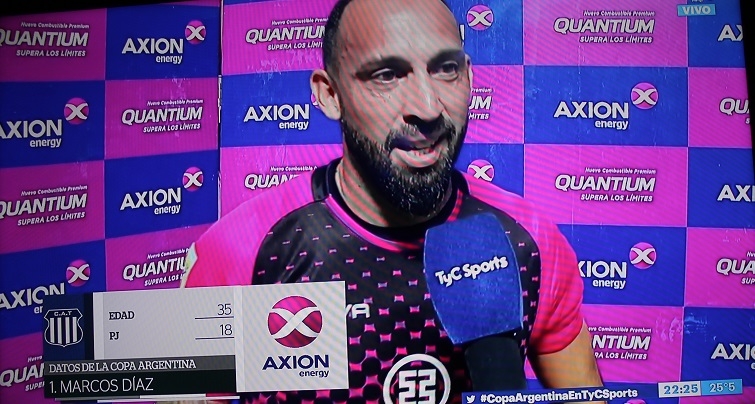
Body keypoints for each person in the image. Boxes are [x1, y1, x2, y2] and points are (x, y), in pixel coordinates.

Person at [182, 0, 605, 402]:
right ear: (330, 95)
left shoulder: (528, 240)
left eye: (446, 69)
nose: (427, 107)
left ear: (469, 77)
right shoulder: (242, 250)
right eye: (386, 75)